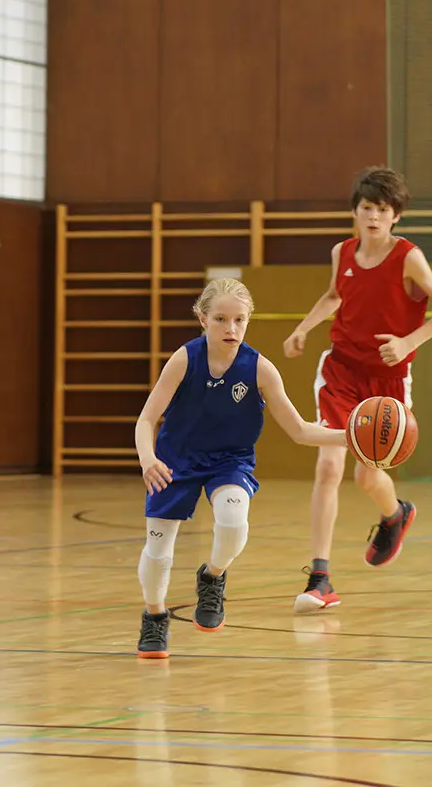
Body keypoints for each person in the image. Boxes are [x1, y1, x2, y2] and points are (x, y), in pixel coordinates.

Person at [133, 279, 349, 659]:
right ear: (203, 318)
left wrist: (350, 438)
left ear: (249, 321)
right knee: (159, 548)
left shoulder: (260, 369)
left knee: (234, 521)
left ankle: (213, 576)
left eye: (239, 320)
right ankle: (154, 616)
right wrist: (148, 459)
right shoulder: (185, 359)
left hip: (229, 461)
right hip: (175, 461)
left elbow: (299, 430)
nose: (230, 329)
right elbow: (147, 419)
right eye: (220, 319)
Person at [280, 167, 432, 611]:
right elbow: (333, 296)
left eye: (382, 209)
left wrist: (408, 341)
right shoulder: (342, 252)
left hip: (387, 380)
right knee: (327, 468)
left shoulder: (409, 258)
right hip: (340, 371)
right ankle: (320, 578)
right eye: (366, 208)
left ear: (395, 216)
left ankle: (395, 513)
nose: (373, 216)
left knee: (365, 475)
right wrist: (303, 328)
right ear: (355, 213)